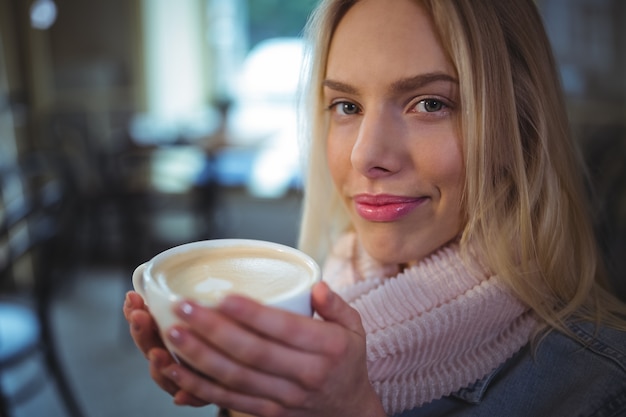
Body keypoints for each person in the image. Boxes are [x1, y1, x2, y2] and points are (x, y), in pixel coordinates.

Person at [123, 0, 626, 416]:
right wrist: (245, 398)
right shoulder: (325, 297)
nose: (366, 155)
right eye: (347, 106)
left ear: (519, 127)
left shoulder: (595, 384)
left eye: (430, 103)